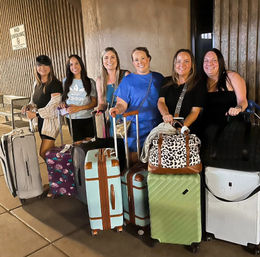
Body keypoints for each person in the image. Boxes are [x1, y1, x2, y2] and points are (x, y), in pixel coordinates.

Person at [110, 47, 164, 162]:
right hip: (136, 128)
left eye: (143, 58)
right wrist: (117, 109)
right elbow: (122, 104)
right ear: (133, 62)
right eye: (136, 60)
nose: (140, 62)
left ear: (149, 59)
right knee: (134, 160)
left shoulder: (159, 78)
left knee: (155, 160)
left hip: (156, 126)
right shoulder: (128, 80)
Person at [22, 55, 63, 160]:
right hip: (41, 122)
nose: (42, 68)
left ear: (50, 67)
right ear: (36, 67)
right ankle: (58, 174)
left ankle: (63, 171)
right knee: (51, 153)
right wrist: (28, 106)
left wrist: (35, 114)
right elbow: (34, 101)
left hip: (51, 123)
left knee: (44, 153)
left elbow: (54, 107)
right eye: (39, 65)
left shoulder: (55, 84)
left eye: (46, 65)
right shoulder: (37, 83)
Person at [157, 49, 203, 134]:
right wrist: (165, 114)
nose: (182, 64)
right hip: (167, 128)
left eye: (186, 61)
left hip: (187, 130)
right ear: (174, 64)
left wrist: (181, 128)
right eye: (178, 61)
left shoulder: (198, 84)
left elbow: (195, 111)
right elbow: (161, 102)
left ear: (191, 65)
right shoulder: (166, 81)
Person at [61, 54, 97, 142]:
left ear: (81, 64)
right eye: (71, 64)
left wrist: (79, 108)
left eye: (77, 63)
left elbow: (94, 103)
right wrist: (62, 103)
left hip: (87, 118)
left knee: (90, 145)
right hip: (72, 119)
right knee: (78, 146)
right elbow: (64, 98)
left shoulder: (90, 82)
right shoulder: (65, 81)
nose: (74, 67)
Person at [96, 47, 130, 135]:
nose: (109, 60)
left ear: (117, 59)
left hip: (128, 118)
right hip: (113, 118)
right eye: (106, 58)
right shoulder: (100, 80)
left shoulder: (126, 75)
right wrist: (99, 109)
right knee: (116, 145)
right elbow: (102, 103)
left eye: (112, 57)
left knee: (129, 146)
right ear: (102, 61)